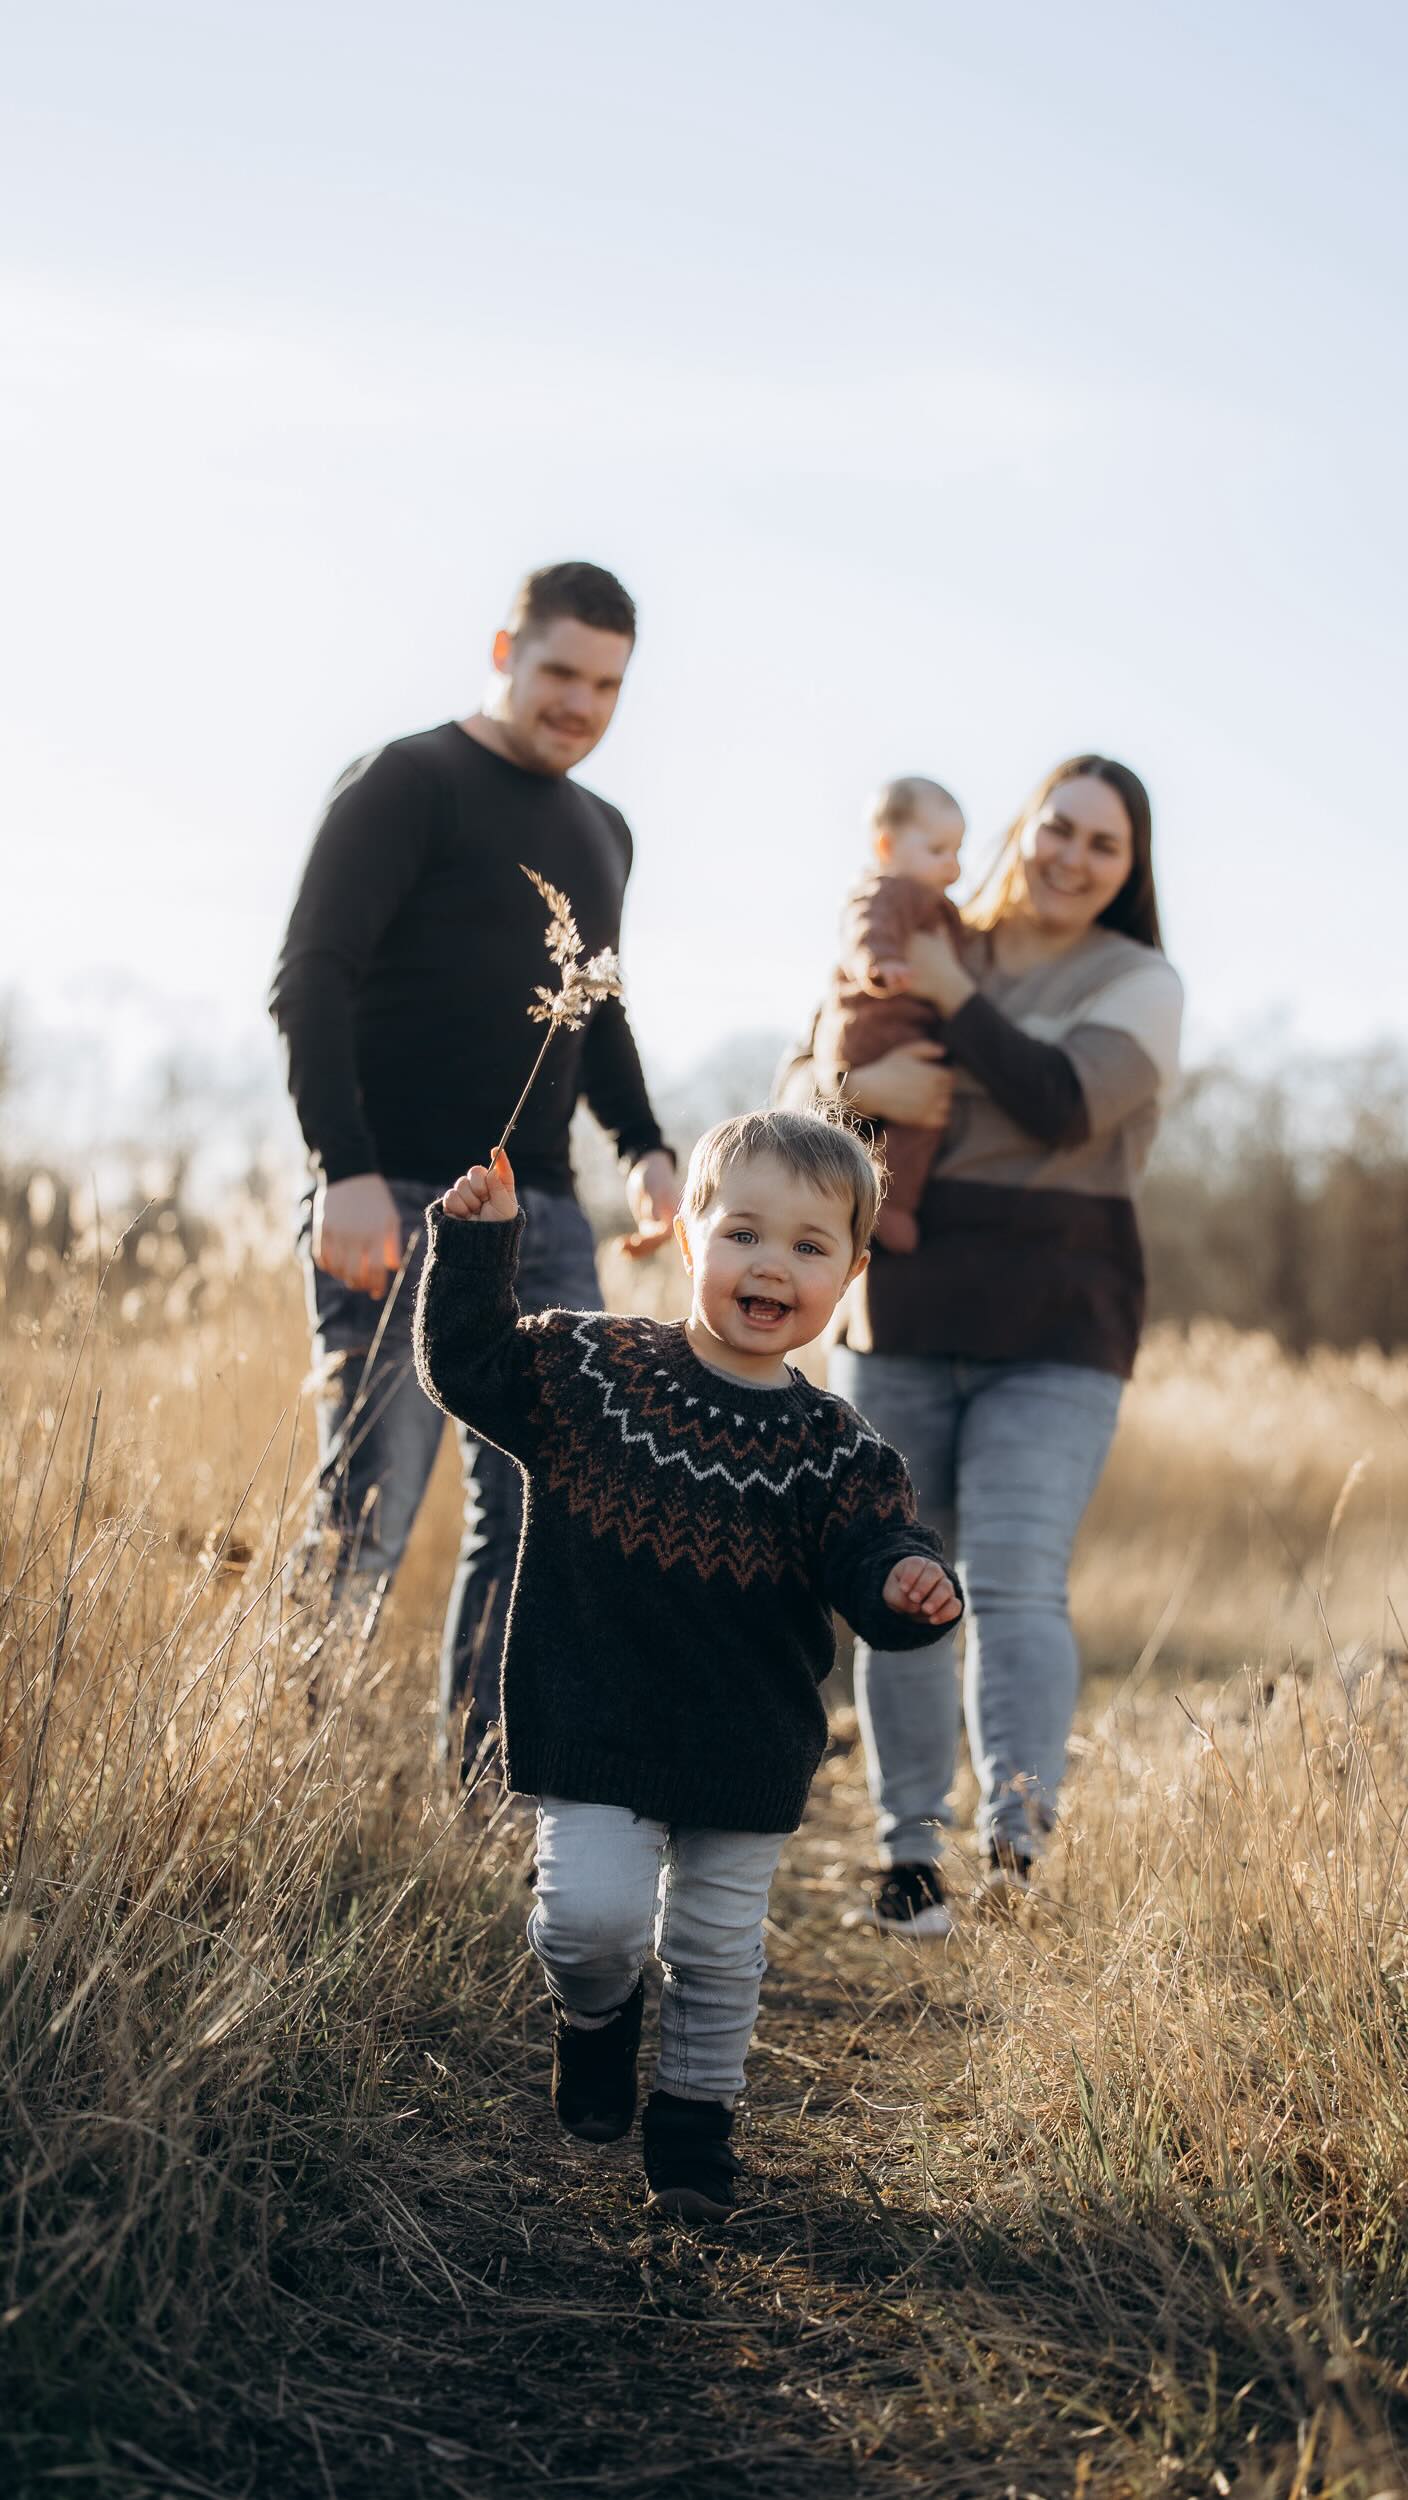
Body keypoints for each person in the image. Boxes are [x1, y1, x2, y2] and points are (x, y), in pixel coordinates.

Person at [413, 1109, 963, 2218]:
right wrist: (479, 1248)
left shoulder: (840, 1451)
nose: (772, 1264)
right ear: (684, 1237)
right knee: (587, 1922)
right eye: (745, 1232)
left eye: (810, 1246)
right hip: (596, 1717)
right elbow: (470, 1367)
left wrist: (907, 1585)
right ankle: (597, 2017)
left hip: (744, 1741)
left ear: (850, 1275)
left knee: (717, 1951)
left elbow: (872, 1553)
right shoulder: (595, 1371)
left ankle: (695, 2136)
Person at [269, 561, 677, 1770]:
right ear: (506, 647)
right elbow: (312, 975)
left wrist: (646, 1150)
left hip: (545, 1216)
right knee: (370, 1508)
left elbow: (593, 1013)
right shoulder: (409, 782)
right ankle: (290, 1784)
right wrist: (342, 1164)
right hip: (393, 1194)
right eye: (559, 672)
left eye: (606, 684)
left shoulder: (605, 831)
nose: (580, 704)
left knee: (542, 1518)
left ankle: (493, 1791)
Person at [783, 755, 1182, 1935]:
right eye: (1056, 827)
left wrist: (954, 999)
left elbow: (1065, 1102)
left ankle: (1017, 1847)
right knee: (900, 1581)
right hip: (900, 1301)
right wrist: (860, 1079)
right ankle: (909, 1855)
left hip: (1057, 1321)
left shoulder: (1140, 980)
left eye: (1101, 846)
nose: (1068, 856)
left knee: (1008, 1578)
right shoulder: (922, 921)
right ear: (1024, 827)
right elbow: (803, 1086)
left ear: (1128, 870)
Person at [813, 776, 967, 1253]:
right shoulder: (888, 889)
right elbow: (865, 928)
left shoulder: (934, 904)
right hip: (871, 1026)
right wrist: (877, 965)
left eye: (958, 851)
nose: (954, 866)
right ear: (887, 845)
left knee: (917, 1121)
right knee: (910, 1125)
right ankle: (889, 1205)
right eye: (939, 850)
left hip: (900, 1035)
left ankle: (882, 1202)